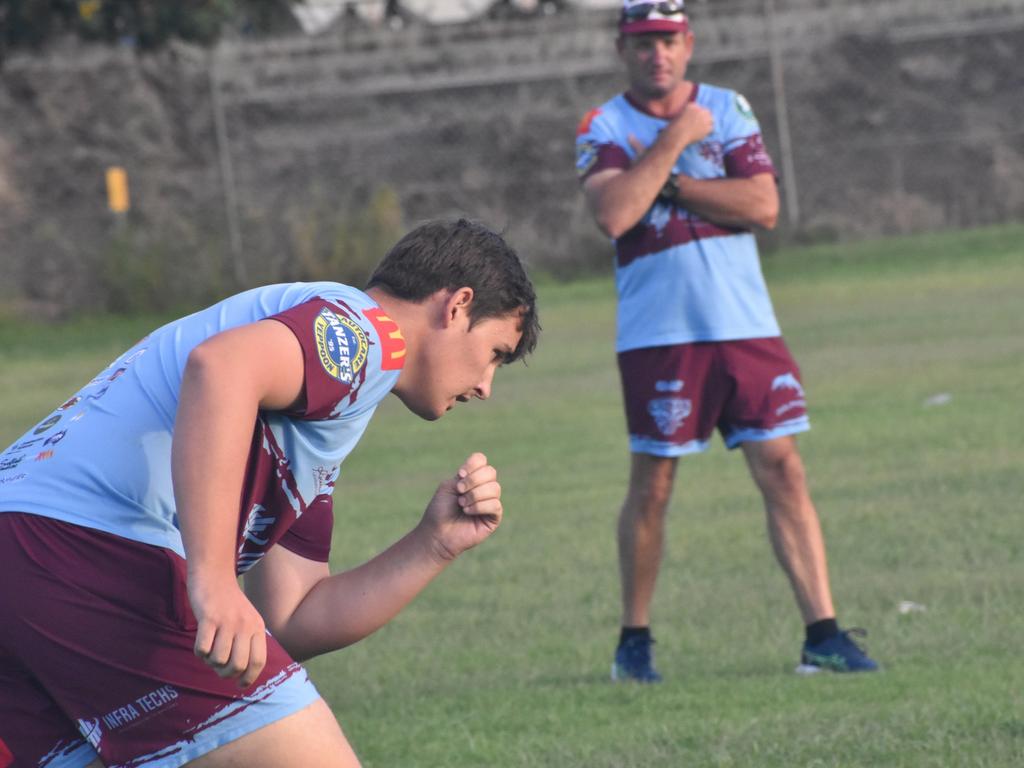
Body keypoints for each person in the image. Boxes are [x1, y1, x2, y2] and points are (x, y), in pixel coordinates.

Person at [0, 218, 540, 768]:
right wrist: (212, 582)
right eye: (496, 352)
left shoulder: (313, 420)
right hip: (82, 547)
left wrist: (433, 544)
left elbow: (286, 618)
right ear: (456, 307)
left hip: (26, 552)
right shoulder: (367, 333)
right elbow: (222, 367)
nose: (486, 387)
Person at [574, 0, 878, 682]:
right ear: (623, 47)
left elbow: (762, 205)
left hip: (746, 327)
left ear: (690, 43)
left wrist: (668, 182)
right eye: (646, 40)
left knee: (784, 470)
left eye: (671, 40)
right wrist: (678, 139)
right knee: (654, 485)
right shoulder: (604, 124)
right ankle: (634, 643)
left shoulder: (730, 108)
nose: (659, 53)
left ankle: (823, 635)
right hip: (661, 336)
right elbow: (618, 212)